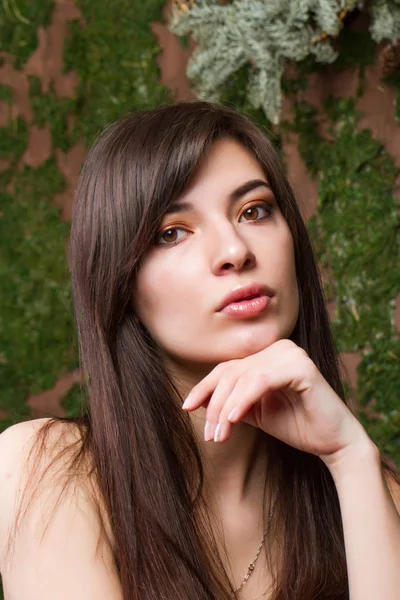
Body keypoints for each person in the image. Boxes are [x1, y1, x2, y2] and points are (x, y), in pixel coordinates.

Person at [0, 101, 399, 600]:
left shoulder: (372, 497)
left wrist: (351, 457)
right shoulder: (46, 470)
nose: (235, 250)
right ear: (120, 283)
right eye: (172, 233)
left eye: (254, 211)